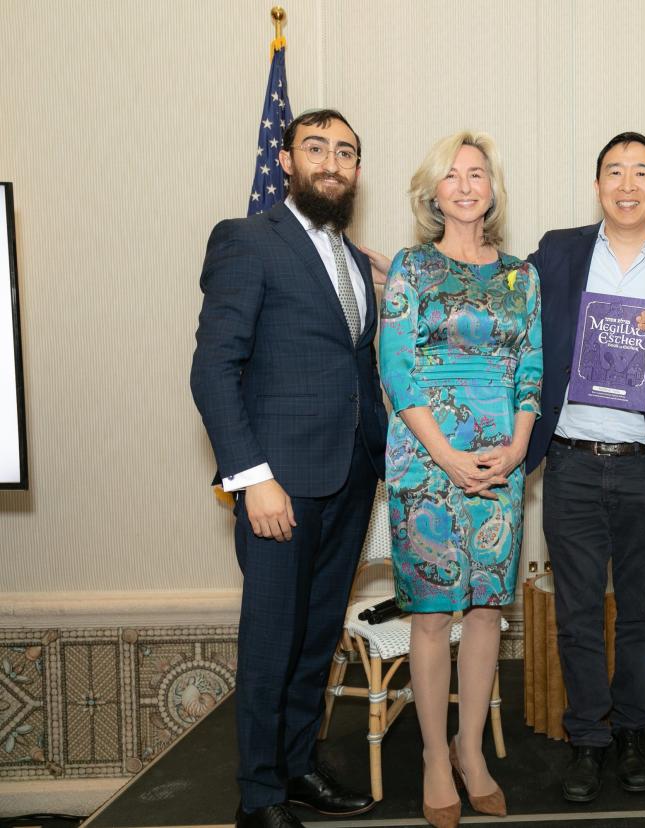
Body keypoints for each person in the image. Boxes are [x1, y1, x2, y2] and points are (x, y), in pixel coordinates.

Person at [190, 108, 385, 828]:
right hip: (279, 485)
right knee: (272, 641)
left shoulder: (356, 261)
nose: (332, 163)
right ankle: (260, 798)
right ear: (285, 161)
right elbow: (214, 369)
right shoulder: (247, 241)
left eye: (346, 152)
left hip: (352, 476)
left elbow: (351, 361)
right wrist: (251, 478)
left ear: (357, 171)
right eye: (316, 149)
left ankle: (298, 766)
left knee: (315, 638)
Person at [525, 132, 645, 803]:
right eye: (614, 171)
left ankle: (633, 728)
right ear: (598, 183)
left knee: (638, 613)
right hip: (573, 463)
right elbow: (501, 307)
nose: (627, 184)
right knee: (577, 614)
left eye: (642, 173)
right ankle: (587, 738)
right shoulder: (557, 251)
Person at [379, 131, 541, 828]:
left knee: (485, 614)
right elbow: (396, 369)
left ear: (493, 188)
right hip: (426, 463)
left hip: (499, 466)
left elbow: (532, 371)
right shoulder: (411, 269)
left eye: (478, 173)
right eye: (453, 175)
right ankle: (434, 759)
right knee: (432, 613)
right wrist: (446, 455)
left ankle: (472, 752)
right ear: (433, 192)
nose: (466, 184)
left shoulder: (521, 276)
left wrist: (517, 452)